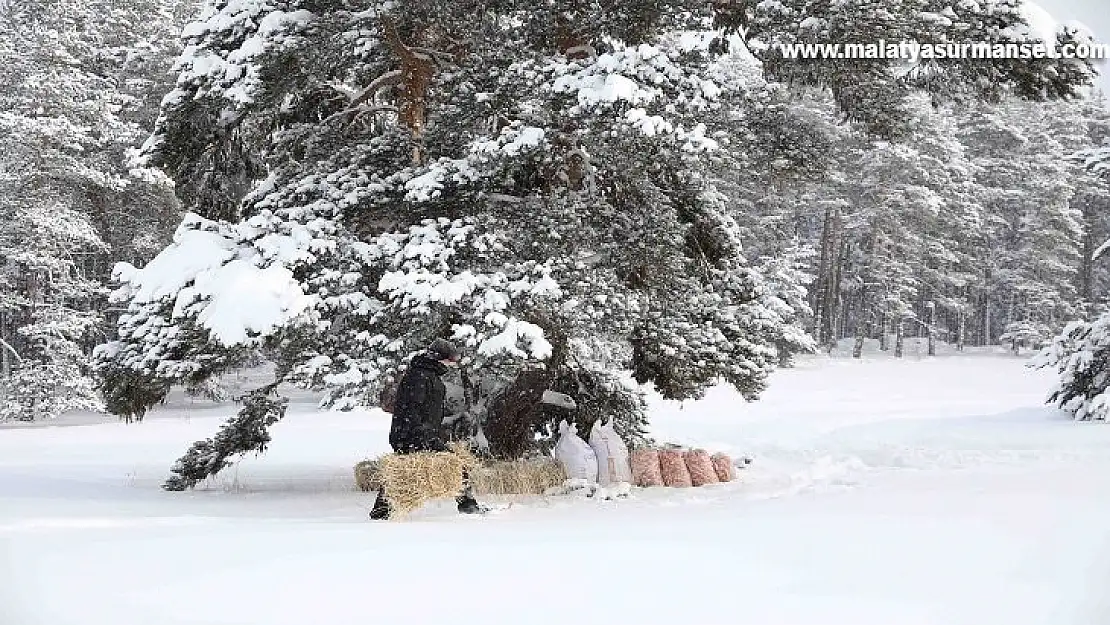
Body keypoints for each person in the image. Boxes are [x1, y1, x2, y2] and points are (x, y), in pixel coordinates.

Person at [370, 339, 483, 519]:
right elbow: (411, 408)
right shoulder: (419, 377)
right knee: (454, 463)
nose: (452, 363)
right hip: (412, 434)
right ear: (439, 358)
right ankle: (468, 505)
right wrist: (421, 433)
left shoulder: (427, 375)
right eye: (450, 359)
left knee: (404, 469)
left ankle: (381, 510)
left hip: (418, 433)